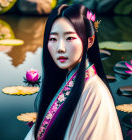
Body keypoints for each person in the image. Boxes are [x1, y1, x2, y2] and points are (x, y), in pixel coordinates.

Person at [25, 4, 123, 140]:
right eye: (53, 39)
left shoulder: (96, 94)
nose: (60, 48)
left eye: (69, 38)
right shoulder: (66, 82)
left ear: (89, 41)